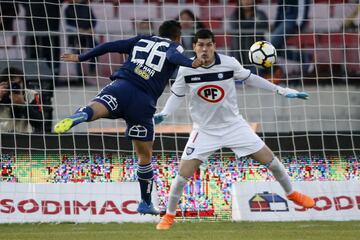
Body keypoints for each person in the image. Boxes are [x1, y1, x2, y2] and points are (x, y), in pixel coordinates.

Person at [154, 29, 315, 230]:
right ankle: (169, 215)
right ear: (194, 47)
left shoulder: (229, 63)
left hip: (234, 126)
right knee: (182, 175)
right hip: (205, 130)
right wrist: (165, 113)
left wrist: (282, 90)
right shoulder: (186, 70)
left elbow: (252, 79)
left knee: (272, 162)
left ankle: (292, 194)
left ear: (214, 46)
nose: (204, 49)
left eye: (208, 45)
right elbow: (176, 96)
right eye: (200, 45)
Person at [53, 20, 204, 215]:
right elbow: (172, 55)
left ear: (158, 32)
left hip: (122, 86)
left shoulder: (141, 40)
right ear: (177, 36)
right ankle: (145, 202)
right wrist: (191, 62)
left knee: (97, 107)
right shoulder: (175, 46)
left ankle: (80, 115)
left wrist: (82, 57)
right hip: (143, 103)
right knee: (144, 156)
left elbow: (110, 46)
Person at [267, 0, 313, 75]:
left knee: (269, 47)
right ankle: (304, 57)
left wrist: (299, 23)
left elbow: (303, 4)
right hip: (282, 22)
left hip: (292, 21)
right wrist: (276, 25)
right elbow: (280, 8)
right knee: (274, 49)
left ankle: (256, 73)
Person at [20, 0, 63, 77]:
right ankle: (34, 78)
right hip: (34, 34)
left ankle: (50, 78)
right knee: (34, 58)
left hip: (50, 34)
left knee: (50, 58)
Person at [227, 0, 268, 72]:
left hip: (257, 53)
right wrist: (253, 22)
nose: (247, 1)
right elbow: (235, 26)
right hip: (238, 52)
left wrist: (243, 25)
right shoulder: (235, 14)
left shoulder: (260, 13)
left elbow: (264, 25)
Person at [0, 67, 43, 133]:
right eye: (11, 84)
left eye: (18, 83)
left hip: (24, 137)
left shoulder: (32, 94)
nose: (15, 86)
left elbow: (39, 123)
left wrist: (23, 105)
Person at [65, 0, 98, 83]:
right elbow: (68, 23)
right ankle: (80, 78)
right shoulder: (68, 8)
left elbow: (93, 20)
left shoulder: (86, 7)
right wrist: (78, 30)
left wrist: (91, 28)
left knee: (97, 48)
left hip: (88, 35)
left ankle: (92, 70)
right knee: (77, 54)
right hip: (75, 37)